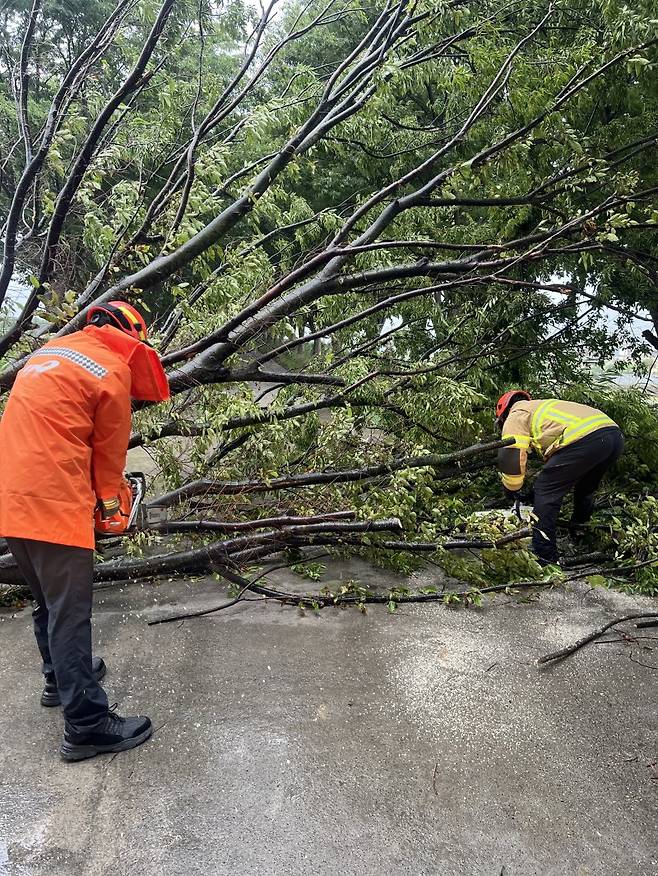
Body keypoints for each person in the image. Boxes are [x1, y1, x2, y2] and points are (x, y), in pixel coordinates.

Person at [0, 301, 170, 761]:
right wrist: (112, 508)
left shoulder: (50, 353)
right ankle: (88, 725)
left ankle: (59, 679)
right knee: (71, 614)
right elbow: (109, 460)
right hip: (54, 503)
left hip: (12, 499)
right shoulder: (110, 370)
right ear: (132, 339)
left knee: (48, 600)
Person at [495, 391, 624, 565]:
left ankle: (544, 555)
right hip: (614, 437)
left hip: (586, 438)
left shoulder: (517, 413)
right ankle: (579, 530)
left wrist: (512, 489)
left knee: (545, 490)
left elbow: (512, 454)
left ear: (503, 415)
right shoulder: (541, 407)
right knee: (586, 487)